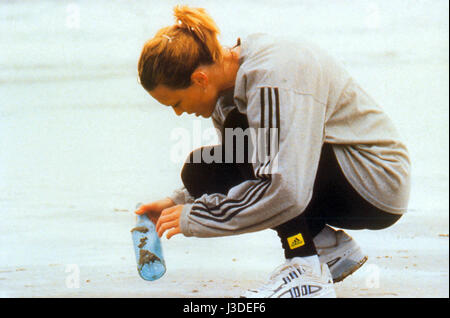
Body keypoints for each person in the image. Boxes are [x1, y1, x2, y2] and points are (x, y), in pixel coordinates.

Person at [135, 5, 411, 298]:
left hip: (376, 181)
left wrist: (196, 218)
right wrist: (177, 202)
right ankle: (327, 248)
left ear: (200, 79)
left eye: (176, 102)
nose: (179, 113)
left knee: (241, 132)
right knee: (201, 170)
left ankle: (305, 268)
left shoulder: (271, 76)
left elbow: (285, 191)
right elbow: (243, 169)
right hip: (329, 173)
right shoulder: (226, 89)